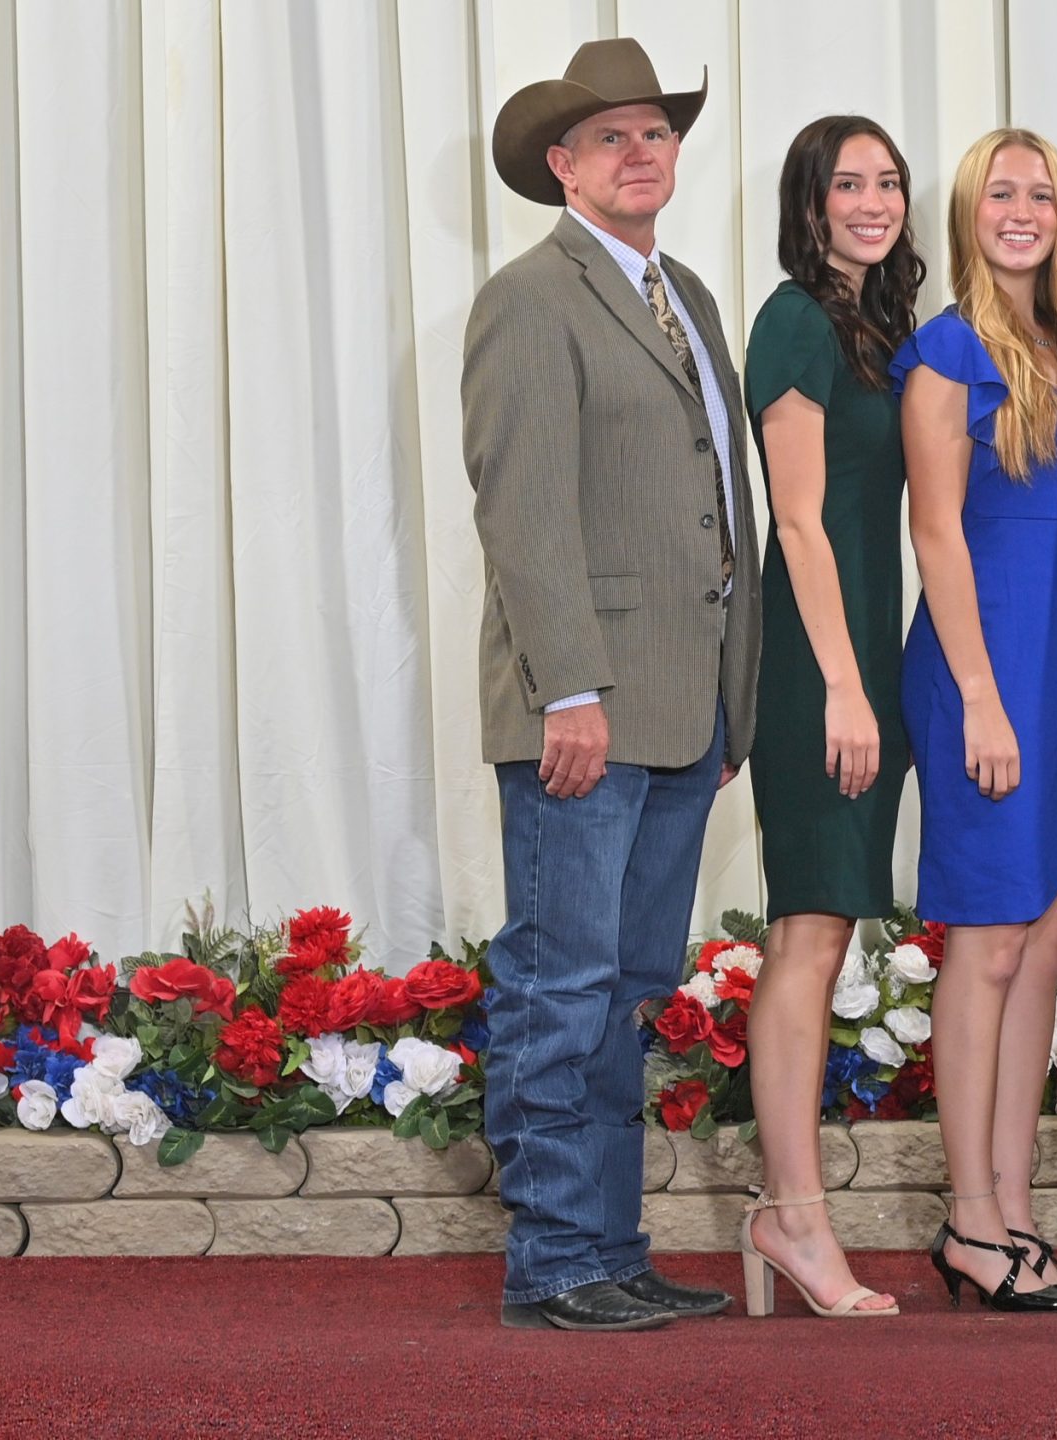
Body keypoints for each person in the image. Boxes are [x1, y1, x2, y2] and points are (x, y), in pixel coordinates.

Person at [463, 39, 755, 1332]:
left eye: (657, 133)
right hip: (584, 707)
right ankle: (556, 1262)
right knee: (561, 976)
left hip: (686, 705)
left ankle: (609, 1245)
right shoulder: (530, 297)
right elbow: (522, 513)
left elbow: (718, 505)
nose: (644, 154)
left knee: (628, 982)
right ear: (562, 167)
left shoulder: (684, 289)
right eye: (614, 138)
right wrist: (564, 689)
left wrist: (735, 695)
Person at [896, 128, 1057, 1313]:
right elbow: (936, 535)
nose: (1020, 211)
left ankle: (1014, 1208)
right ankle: (969, 1222)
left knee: (1042, 944)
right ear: (968, 213)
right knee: (985, 945)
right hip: (988, 672)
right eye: (999, 194)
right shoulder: (946, 351)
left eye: (1039, 194)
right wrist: (977, 694)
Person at [735, 114, 923, 1319]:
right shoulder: (795, 318)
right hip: (821, 664)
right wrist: (846, 682)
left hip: (867, 656)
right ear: (809, 201)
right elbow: (798, 521)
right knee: (809, 930)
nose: (872, 199)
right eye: (847, 182)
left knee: (830, 927)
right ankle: (794, 1217)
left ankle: (786, 1213)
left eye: (888, 180)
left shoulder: (877, 325)